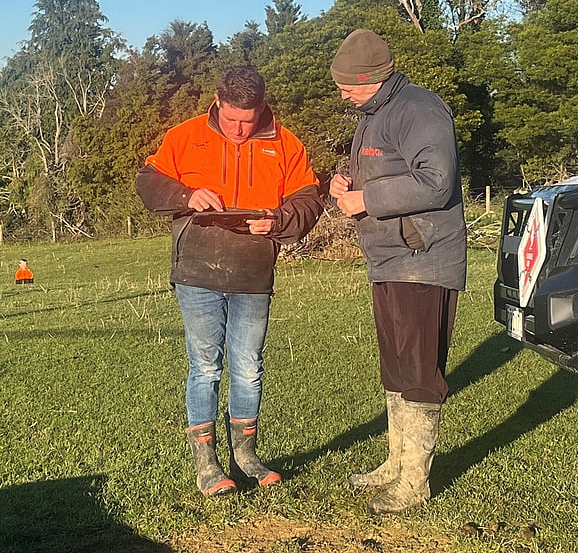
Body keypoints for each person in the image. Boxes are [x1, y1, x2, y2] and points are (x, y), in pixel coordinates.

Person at [137, 66, 323, 497]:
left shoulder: (287, 143)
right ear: (218, 102)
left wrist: (278, 220)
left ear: (262, 108)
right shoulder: (184, 136)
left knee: (249, 366)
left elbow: (309, 200)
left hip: (253, 272)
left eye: (248, 120)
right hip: (197, 269)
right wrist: (187, 195)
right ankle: (207, 464)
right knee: (205, 366)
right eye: (232, 118)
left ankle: (246, 456)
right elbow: (148, 182)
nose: (239, 129)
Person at [329, 29, 467, 514]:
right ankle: (395, 464)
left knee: (420, 371)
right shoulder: (373, 114)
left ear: (370, 78)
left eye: (346, 86)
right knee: (395, 367)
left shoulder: (419, 110)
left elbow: (437, 181)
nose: (341, 94)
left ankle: (415, 482)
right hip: (388, 258)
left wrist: (365, 198)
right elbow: (388, 169)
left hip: (422, 258)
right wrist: (347, 182)